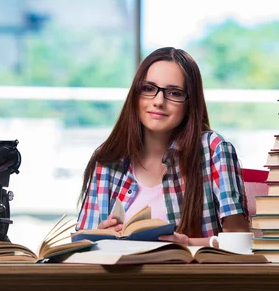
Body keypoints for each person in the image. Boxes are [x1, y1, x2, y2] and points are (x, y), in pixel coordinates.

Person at [76, 47, 249, 246]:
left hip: (192, 276)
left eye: (174, 93)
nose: (159, 101)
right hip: (122, 276)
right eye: (148, 89)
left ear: (189, 104)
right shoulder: (107, 159)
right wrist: (98, 240)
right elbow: (82, 246)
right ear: (135, 96)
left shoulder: (214, 150)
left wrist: (187, 243)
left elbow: (240, 243)